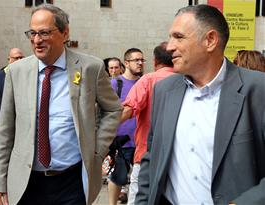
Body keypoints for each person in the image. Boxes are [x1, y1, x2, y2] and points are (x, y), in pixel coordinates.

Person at [0, 4, 122, 205]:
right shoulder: (16, 72)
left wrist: (98, 148)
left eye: (44, 33)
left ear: (65, 32)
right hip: (26, 182)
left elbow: (113, 109)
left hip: (72, 181)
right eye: (32, 33)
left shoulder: (90, 68)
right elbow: (5, 131)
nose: (36, 40)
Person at [136, 4, 265, 205]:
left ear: (210, 40)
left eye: (178, 37)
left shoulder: (258, 90)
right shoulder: (164, 91)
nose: (169, 47)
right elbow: (152, 158)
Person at [121, 42, 174, 205]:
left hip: (147, 155)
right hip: (177, 157)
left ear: (155, 61)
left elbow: (128, 110)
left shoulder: (148, 80)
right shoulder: (187, 79)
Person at [108, 48, 144, 205]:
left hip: (141, 141)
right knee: (118, 177)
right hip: (123, 141)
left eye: (142, 60)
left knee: (138, 178)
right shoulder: (116, 83)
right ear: (127, 63)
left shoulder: (144, 82)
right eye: (137, 60)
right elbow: (108, 111)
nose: (140, 63)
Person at [0, 48, 24, 140]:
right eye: (16, 58)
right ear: (9, 59)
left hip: (22, 121)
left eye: (21, 58)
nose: (19, 60)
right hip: (3, 120)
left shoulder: (27, 74)